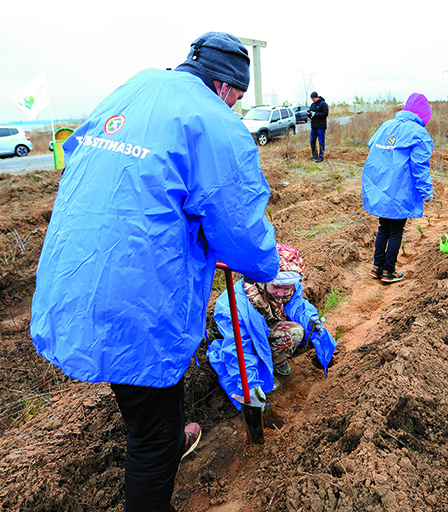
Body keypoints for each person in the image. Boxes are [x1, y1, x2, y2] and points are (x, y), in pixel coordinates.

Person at [29, 32, 280, 512]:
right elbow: (240, 225)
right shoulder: (215, 121)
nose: (237, 106)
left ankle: (170, 429)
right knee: (150, 436)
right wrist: (267, 265)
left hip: (75, 270)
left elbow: (84, 164)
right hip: (136, 291)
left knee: (151, 383)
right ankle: (162, 455)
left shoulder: (134, 89)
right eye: (239, 97)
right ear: (226, 87)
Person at [209, 243, 337, 399]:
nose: (281, 293)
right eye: (277, 287)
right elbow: (239, 347)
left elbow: (298, 306)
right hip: (252, 341)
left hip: (271, 332)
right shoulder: (234, 304)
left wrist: (311, 319)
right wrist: (250, 385)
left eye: (287, 288)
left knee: (311, 331)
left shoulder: (289, 290)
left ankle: (275, 362)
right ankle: (264, 370)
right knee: (294, 333)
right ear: (264, 279)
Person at [362, 93, 434, 284]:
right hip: (401, 190)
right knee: (396, 231)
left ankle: (377, 266)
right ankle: (389, 271)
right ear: (423, 114)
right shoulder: (419, 134)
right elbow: (419, 166)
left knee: (383, 227)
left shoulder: (386, 126)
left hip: (381, 188)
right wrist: (426, 191)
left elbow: (372, 146)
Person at [308, 91, 329, 162]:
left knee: (321, 142)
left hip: (321, 126)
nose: (313, 100)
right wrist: (309, 114)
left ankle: (321, 156)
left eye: (313, 98)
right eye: (312, 99)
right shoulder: (312, 105)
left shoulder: (323, 104)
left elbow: (325, 114)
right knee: (312, 141)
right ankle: (315, 155)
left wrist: (316, 114)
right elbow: (311, 115)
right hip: (313, 126)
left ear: (317, 97)